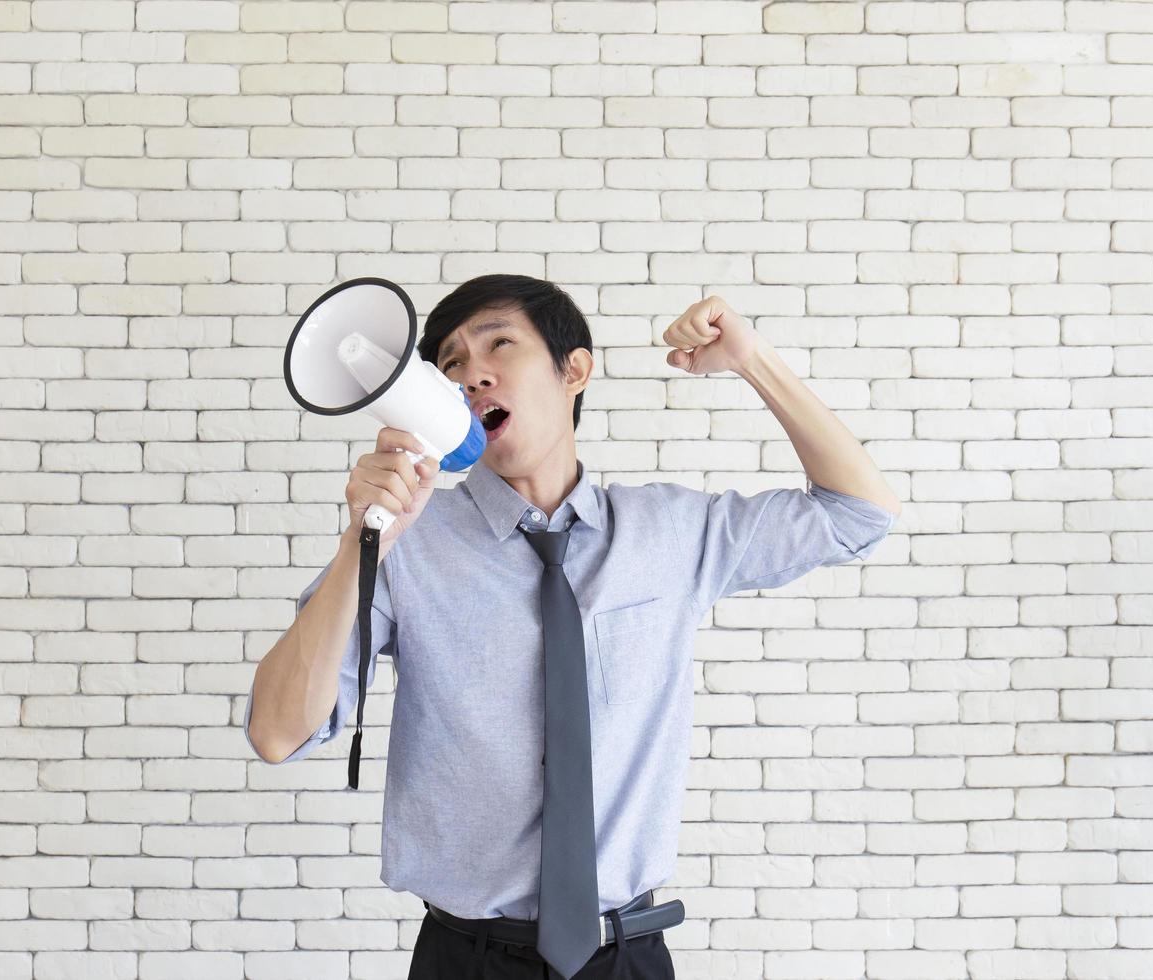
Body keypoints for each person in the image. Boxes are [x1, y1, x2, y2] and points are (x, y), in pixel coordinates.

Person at [245, 275, 901, 979]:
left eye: (499, 343)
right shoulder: (407, 546)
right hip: (466, 961)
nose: (474, 373)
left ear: (574, 371)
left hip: (627, 956)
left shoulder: (672, 532)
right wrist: (362, 541)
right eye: (452, 363)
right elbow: (277, 732)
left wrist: (751, 359)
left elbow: (858, 513)